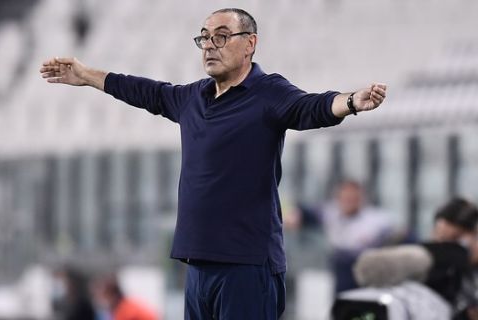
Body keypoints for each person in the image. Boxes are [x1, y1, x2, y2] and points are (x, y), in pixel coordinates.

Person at [39, 8, 387, 320]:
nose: (209, 45)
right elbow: (146, 91)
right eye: (204, 38)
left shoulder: (268, 93)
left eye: (220, 36)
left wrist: (352, 101)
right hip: (198, 264)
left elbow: (312, 107)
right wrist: (86, 75)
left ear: (250, 43)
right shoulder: (193, 97)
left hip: (247, 265)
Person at [93, 274, 158, 320]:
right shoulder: (125, 305)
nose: (100, 299)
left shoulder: (124, 310)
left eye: (103, 296)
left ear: (111, 294)